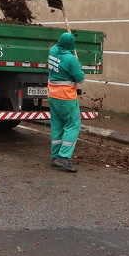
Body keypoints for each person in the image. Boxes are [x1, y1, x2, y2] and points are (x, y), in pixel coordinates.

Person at [47, 31, 85, 172]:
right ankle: (63, 157)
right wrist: (78, 65)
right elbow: (80, 78)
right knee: (73, 125)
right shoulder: (71, 59)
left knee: (57, 126)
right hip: (66, 97)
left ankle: (55, 156)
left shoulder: (52, 50)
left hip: (52, 95)